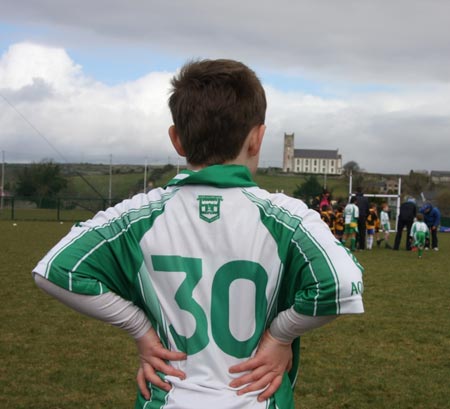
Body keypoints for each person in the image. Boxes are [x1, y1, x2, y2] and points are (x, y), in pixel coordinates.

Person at [32, 59, 364, 409]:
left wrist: (139, 329)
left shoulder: (137, 215)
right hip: (257, 399)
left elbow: (54, 269)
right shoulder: (288, 217)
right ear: (258, 138)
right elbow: (341, 283)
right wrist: (280, 336)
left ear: (176, 139)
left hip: (169, 398)